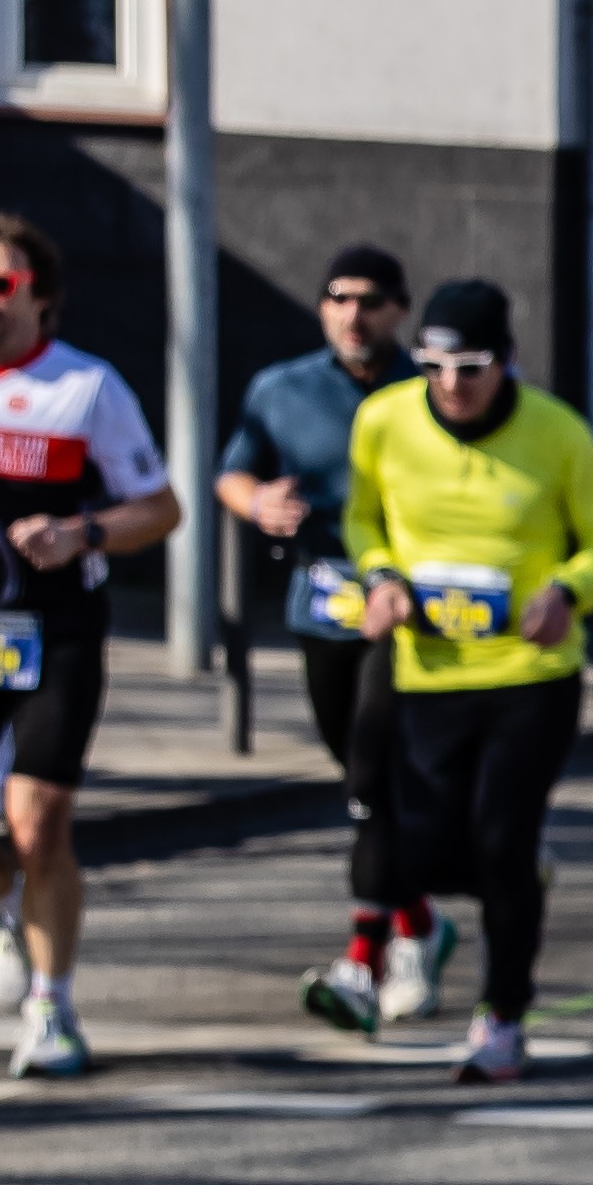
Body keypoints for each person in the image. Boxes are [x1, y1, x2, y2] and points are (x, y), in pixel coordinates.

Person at [337, 281, 593, 1087]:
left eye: (471, 366)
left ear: (508, 361)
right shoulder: (384, 421)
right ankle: (518, 874)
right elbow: (362, 518)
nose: (452, 385)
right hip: (429, 672)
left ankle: (502, 1016)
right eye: (435, 365)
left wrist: (567, 591)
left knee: (501, 840)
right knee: (428, 851)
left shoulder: (557, 432)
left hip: (531, 673)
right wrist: (381, 577)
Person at [0, 210, 180, 1079]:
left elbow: (160, 509)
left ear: (40, 299)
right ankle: (20, 901)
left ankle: (51, 1007)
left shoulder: (85, 388)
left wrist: (82, 532)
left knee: (36, 817)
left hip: (55, 631)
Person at [215, 241, 426, 1036]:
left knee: (376, 769)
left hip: (408, 611)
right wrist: (256, 503)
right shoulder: (283, 389)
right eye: (338, 298)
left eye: (370, 300)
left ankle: (369, 955)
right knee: (358, 771)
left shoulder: (428, 389)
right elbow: (233, 471)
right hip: (323, 601)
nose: (353, 314)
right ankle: (419, 920)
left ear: (399, 310)